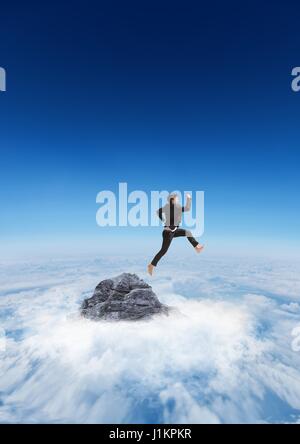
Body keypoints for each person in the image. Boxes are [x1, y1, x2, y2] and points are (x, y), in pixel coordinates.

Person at [147, 193, 204, 275]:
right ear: (172, 200)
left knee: (187, 232)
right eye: (177, 199)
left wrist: (163, 220)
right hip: (168, 233)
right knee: (163, 250)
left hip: (174, 231)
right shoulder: (173, 207)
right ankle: (151, 265)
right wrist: (189, 199)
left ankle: (197, 247)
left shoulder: (173, 207)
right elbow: (187, 208)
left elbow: (158, 211)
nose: (178, 200)